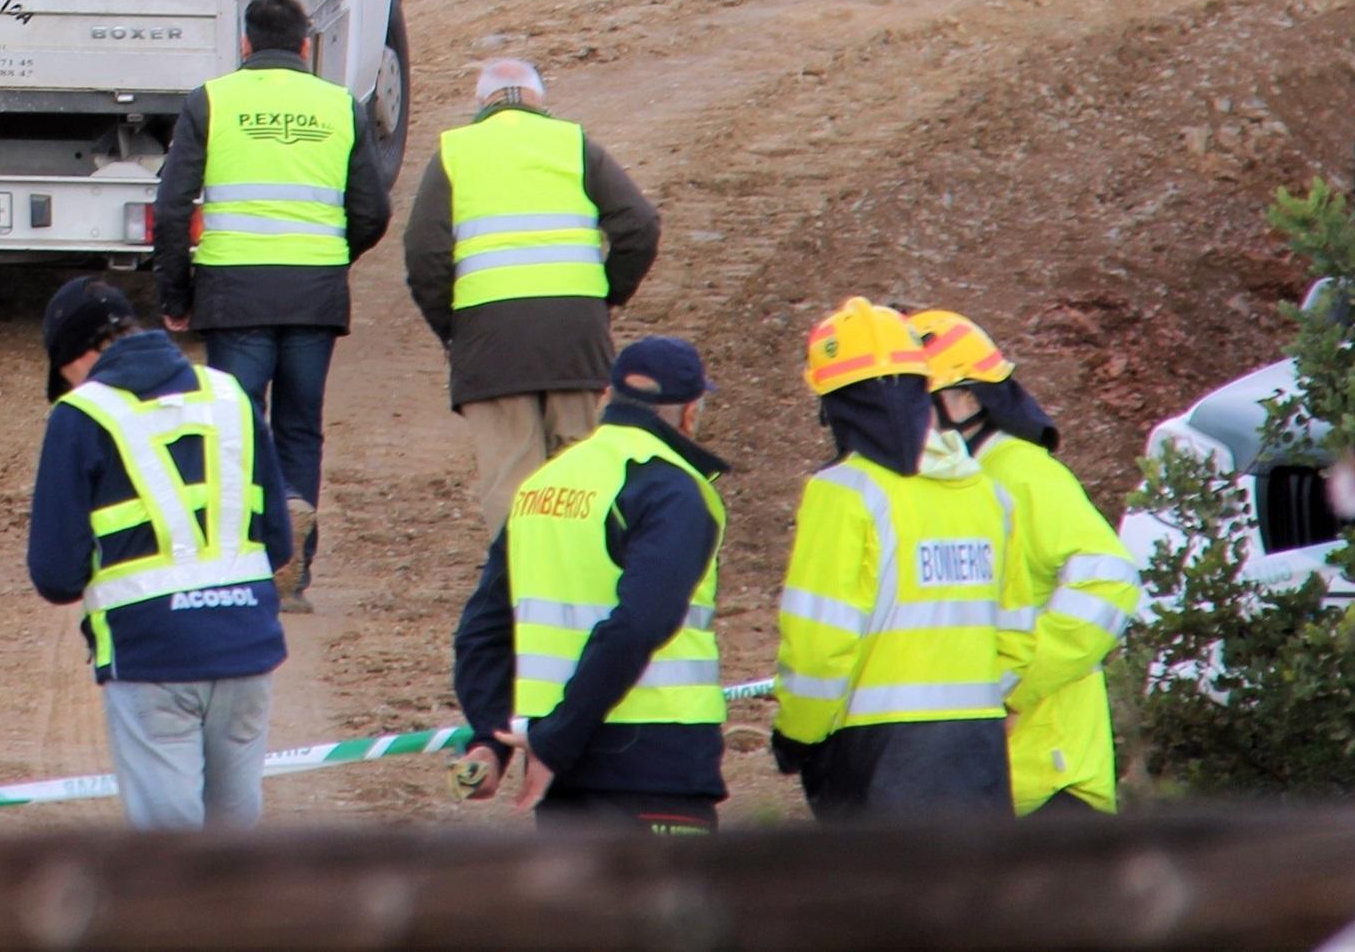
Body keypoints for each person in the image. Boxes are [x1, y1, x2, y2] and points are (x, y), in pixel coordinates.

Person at [148, 0, 390, 609]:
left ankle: (242, 563)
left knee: (235, 429)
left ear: (245, 45)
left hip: (234, 296)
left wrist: (177, 294)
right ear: (308, 47)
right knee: (300, 430)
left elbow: (172, 208)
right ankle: (292, 569)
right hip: (314, 296)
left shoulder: (213, 101)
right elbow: (372, 211)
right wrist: (331, 260)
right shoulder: (341, 106)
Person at [27, 279, 288, 829]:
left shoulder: (80, 414)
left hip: (151, 657)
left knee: (169, 861)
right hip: (247, 647)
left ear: (80, 354)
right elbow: (279, 543)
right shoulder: (229, 394)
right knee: (234, 849)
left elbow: (56, 574)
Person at [449, 336, 728, 834]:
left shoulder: (542, 486)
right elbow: (639, 625)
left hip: (564, 772)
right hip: (654, 761)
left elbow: (483, 630)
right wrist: (555, 742)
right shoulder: (675, 488)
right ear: (690, 412)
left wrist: (491, 740)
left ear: (606, 398)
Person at [772, 297, 1015, 818]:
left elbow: (819, 642)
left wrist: (798, 735)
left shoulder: (843, 493)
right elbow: (1011, 626)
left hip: (877, 756)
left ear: (834, 403)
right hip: (979, 751)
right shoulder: (983, 491)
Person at [402, 57, 664, 530]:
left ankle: (520, 591)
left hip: (490, 343)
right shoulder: (574, 144)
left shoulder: (455, 152)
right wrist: (603, 298)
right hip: (575, 340)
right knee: (583, 477)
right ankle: (584, 586)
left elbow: (423, 253)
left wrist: (453, 326)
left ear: (480, 103)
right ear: (539, 100)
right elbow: (640, 226)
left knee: (511, 483)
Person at [906, 306, 1141, 816]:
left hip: (1050, 781)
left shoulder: (1024, 476)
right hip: (985, 781)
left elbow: (1110, 583)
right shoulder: (949, 483)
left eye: (917, 399)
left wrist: (1011, 692)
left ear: (968, 397)